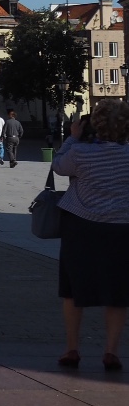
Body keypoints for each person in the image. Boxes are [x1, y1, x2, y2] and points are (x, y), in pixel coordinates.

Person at [51, 101, 129, 371]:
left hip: (81, 227)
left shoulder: (80, 152)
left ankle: (72, 348)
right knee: (118, 292)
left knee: (73, 290)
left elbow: (58, 166)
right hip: (121, 227)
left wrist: (72, 137)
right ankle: (111, 352)